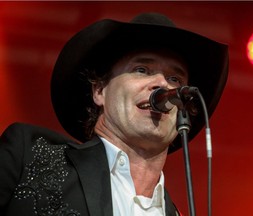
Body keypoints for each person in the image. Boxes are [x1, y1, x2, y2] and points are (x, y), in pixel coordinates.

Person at [0, 12, 228, 216]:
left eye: (175, 79)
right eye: (142, 70)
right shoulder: (29, 155)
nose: (161, 84)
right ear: (99, 90)